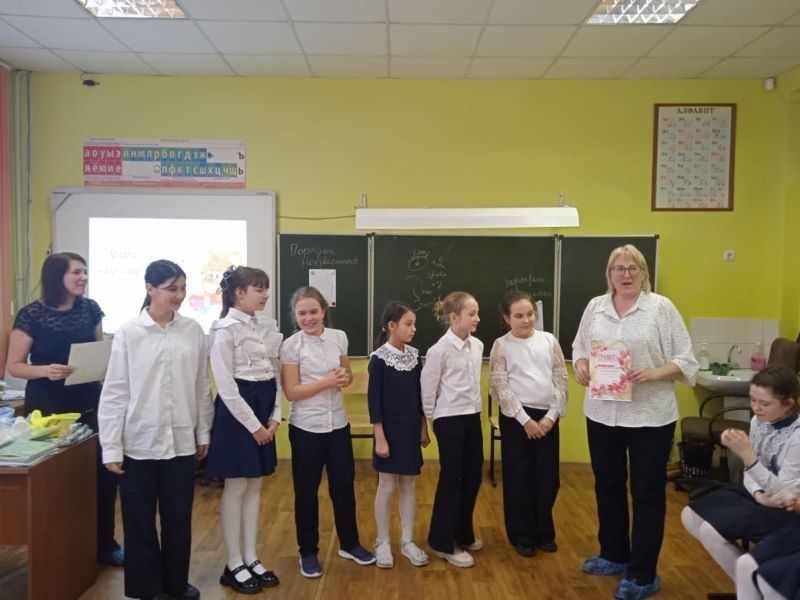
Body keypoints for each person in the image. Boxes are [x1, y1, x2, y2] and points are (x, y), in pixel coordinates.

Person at [572, 244, 698, 600]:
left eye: (632, 268)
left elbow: (686, 360)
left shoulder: (661, 308)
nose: (625, 274)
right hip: (602, 413)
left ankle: (643, 574)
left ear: (644, 273)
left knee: (647, 493)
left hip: (650, 417)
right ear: (609, 274)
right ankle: (614, 554)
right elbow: (580, 347)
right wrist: (581, 366)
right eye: (619, 268)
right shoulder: (595, 307)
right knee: (607, 486)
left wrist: (654, 373)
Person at [98, 260, 213, 600]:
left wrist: (203, 432)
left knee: (178, 519)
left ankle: (176, 583)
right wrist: (111, 446)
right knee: (139, 521)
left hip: (181, 441)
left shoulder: (193, 331)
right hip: (139, 442)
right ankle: (147, 588)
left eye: (183, 288)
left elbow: (201, 386)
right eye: (171, 288)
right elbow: (115, 392)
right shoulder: (129, 333)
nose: (179, 295)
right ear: (150, 289)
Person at [5, 252, 122, 566]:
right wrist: (46, 370)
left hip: (90, 401)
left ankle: (105, 544)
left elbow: (99, 351)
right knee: (55, 479)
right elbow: (14, 366)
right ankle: (59, 548)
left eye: (85, 271)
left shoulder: (91, 308)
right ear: (57, 276)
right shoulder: (31, 315)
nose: (84, 277)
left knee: (102, 475)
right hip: (48, 406)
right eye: (76, 272)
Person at [279, 286, 375, 578]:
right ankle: (308, 552)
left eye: (313, 312)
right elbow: (292, 392)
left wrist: (344, 377)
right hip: (306, 428)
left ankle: (350, 543)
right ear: (295, 316)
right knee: (306, 493)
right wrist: (328, 381)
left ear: (323, 311)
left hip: (338, 426)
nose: (308, 318)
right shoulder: (291, 346)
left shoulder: (338, 337)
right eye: (302, 313)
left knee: (343, 488)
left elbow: (346, 376)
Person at [682, 364, 800, 592]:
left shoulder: (796, 437)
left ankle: (752, 586)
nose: (756, 408)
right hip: (758, 495)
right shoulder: (758, 422)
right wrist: (757, 494)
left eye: (764, 403)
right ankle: (748, 587)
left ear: (788, 404)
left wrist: (747, 455)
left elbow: (786, 492)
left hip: (785, 508)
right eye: (752, 400)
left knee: (710, 530)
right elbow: (749, 473)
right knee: (690, 515)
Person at [205, 266, 283, 594]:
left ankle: (251, 556)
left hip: (264, 407)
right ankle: (234, 562)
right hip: (239, 414)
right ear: (239, 293)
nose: (265, 295)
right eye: (258, 289)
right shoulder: (224, 329)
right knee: (236, 486)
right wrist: (254, 427)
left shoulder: (265, 326)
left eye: (266, 288)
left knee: (254, 486)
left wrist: (276, 417)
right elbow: (226, 386)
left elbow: (275, 375)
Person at [489, 291, 568, 557]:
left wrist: (551, 416)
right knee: (519, 478)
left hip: (547, 418)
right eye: (519, 316)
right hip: (517, 420)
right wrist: (525, 420)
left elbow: (561, 380)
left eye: (530, 314)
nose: (526, 320)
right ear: (507, 318)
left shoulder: (549, 341)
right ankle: (521, 535)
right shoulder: (501, 345)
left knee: (548, 478)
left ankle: (544, 531)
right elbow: (500, 386)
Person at [421, 290, 484, 568]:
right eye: (472, 314)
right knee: (452, 480)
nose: (477, 318)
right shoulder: (439, 350)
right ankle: (443, 542)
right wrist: (434, 422)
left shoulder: (478, 345)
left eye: (477, 313)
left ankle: (463, 533)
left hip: (472, 417)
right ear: (454, 317)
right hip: (449, 420)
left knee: (472, 476)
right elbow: (428, 391)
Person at [368, 302, 431, 569]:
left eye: (414, 324)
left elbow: (419, 396)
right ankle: (382, 541)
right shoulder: (379, 359)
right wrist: (380, 438)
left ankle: (407, 541)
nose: (413, 329)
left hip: (410, 428)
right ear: (391, 326)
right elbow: (374, 402)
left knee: (409, 484)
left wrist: (423, 426)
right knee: (387, 485)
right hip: (388, 431)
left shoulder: (414, 356)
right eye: (408, 324)